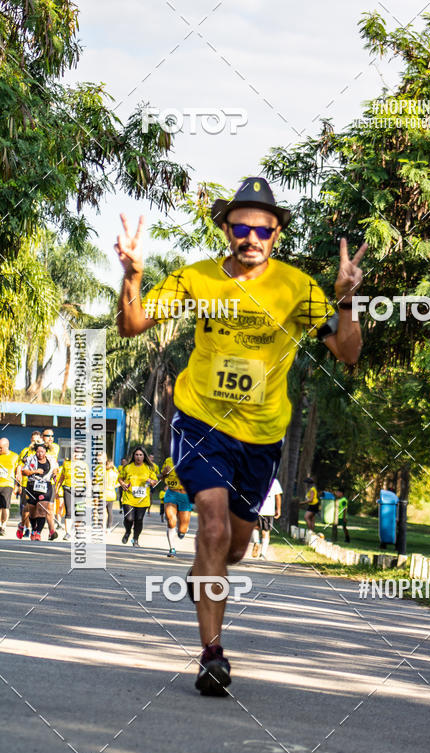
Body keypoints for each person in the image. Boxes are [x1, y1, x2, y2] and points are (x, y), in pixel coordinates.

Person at [115, 175, 365, 695]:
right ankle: (212, 656)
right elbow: (132, 323)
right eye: (241, 227)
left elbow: (348, 352)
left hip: (262, 435)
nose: (251, 237)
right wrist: (133, 275)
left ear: (276, 234)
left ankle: (205, 570)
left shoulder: (297, 288)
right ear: (227, 230)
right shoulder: (197, 278)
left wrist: (345, 302)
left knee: (233, 548)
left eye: (263, 229)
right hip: (200, 420)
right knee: (211, 526)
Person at [118, 447, 157, 546]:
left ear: (144, 456)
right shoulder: (127, 467)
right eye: (136, 455)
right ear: (133, 456)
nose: (138, 457)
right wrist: (123, 484)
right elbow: (120, 478)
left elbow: (155, 481)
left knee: (139, 519)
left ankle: (135, 539)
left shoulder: (149, 468)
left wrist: (151, 481)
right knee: (129, 519)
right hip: (129, 497)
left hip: (142, 499)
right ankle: (128, 531)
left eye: (141, 455)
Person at [161, 456, 193, 558]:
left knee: (183, 529)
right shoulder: (168, 460)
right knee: (171, 521)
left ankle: (182, 530)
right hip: (172, 494)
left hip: (185, 496)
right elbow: (162, 477)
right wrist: (164, 473)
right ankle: (172, 548)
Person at [23, 444, 55, 540]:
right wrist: (35, 471)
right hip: (32, 485)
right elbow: (24, 472)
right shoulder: (30, 459)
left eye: (42, 452)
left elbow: (55, 469)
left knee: (42, 510)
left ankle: (38, 533)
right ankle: (34, 528)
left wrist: (55, 475)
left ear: (46, 452)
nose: (40, 454)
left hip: (45, 486)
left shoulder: (51, 459)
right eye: (38, 452)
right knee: (32, 512)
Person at [16, 430, 42, 539]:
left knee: (37, 508)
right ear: (31, 439)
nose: (35, 442)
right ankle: (26, 528)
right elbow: (19, 466)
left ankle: (35, 529)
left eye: (37, 440)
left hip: (39, 485)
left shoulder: (43, 451)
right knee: (26, 507)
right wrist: (18, 483)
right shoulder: (26, 451)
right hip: (26, 483)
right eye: (33, 440)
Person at [251, 476, 282, 559]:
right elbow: (278, 496)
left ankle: (256, 542)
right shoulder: (274, 481)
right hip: (269, 511)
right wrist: (278, 509)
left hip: (257, 508)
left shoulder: (257, 478)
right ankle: (263, 554)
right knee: (266, 532)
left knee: (255, 527)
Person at [0, 438, 19, 535]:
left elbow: (18, 473)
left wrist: (17, 486)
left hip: (7, 484)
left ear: (6, 446)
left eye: (1, 448)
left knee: (5, 506)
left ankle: (3, 525)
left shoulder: (14, 456)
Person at [55, 457, 73, 540]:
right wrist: (57, 489)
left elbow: (87, 479)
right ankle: (67, 532)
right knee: (66, 510)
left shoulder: (83, 465)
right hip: (66, 489)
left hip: (79, 491)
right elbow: (61, 478)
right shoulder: (65, 466)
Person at [105, 459, 120, 530]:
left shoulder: (104, 472)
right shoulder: (115, 473)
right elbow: (119, 482)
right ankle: (108, 527)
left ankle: (102, 526)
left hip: (104, 494)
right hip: (112, 494)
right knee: (109, 511)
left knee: (102, 511)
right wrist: (114, 486)